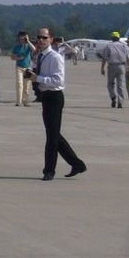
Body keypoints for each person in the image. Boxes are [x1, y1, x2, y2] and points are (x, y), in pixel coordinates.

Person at [29, 27, 86, 180]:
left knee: (51, 138)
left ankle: (49, 171)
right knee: (53, 135)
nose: (40, 40)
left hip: (54, 97)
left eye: (44, 37)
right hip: (45, 96)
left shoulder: (54, 57)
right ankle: (77, 164)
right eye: (39, 37)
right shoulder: (40, 56)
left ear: (51, 39)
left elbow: (58, 81)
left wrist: (38, 79)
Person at [98, 31, 129, 108]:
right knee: (121, 85)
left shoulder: (108, 46)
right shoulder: (124, 46)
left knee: (110, 84)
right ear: (119, 38)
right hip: (122, 66)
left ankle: (113, 97)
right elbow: (128, 58)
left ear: (112, 38)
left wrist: (102, 68)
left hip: (112, 66)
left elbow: (105, 58)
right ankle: (120, 101)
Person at [11, 30, 35, 107]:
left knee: (27, 85)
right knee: (19, 84)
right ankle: (19, 101)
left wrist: (28, 41)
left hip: (27, 68)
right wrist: (17, 58)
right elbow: (12, 56)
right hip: (19, 67)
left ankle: (25, 100)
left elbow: (34, 49)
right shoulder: (16, 47)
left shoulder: (28, 46)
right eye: (20, 39)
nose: (22, 40)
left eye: (23, 39)